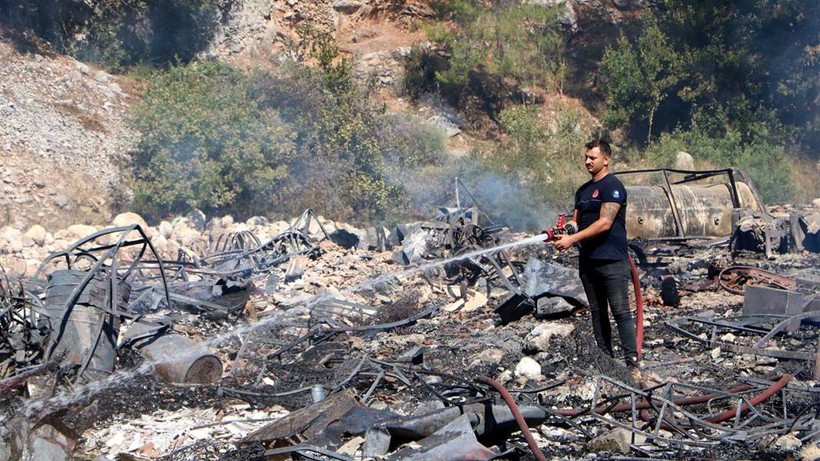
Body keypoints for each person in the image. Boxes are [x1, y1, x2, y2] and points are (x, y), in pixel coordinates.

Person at [553, 140, 639, 369]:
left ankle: (632, 361)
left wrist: (572, 239)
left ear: (606, 159)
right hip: (588, 261)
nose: (588, 161)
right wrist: (565, 231)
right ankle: (605, 360)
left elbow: (604, 223)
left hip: (612, 260)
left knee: (620, 311)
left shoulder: (613, 186)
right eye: (586, 157)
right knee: (597, 311)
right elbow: (576, 220)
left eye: (593, 157)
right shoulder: (583, 191)